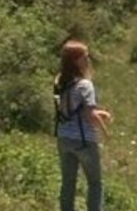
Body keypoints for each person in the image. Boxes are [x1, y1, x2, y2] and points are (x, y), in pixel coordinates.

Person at [55, 39, 113, 211]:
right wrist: (105, 130)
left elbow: (69, 110)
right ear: (76, 60)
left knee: (68, 182)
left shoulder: (59, 82)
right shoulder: (85, 85)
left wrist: (99, 113)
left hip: (63, 137)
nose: (88, 60)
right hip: (83, 139)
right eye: (85, 56)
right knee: (95, 183)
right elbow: (89, 115)